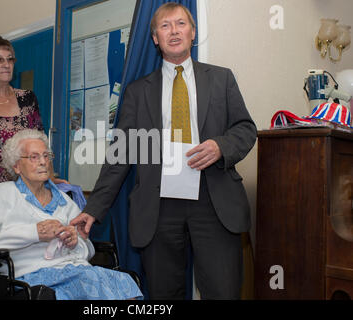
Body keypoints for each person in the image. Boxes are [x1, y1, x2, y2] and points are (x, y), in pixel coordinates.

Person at [71, 3, 257, 299]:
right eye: (165, 26)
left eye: (180, 24)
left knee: (224, 291)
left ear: (192, 32)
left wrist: (221, 146)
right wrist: (93, 209)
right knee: (163, 294)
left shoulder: (222, 79)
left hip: (214, 200)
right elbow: (121, 155)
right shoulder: (137, 91)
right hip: (158, 207)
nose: (174, 31)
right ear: (155, 38)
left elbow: (245, 129)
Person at [0, 129, 143, 300]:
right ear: (17, 166)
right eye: (34, 157)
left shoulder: (64, 200)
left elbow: (88, 250)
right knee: (90, 283)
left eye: (46, 156)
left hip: (76, 270)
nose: (43, 162)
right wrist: (34, 233)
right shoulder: (3, 193)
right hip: (32, 275)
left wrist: (76, 243)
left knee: (123, 282)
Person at [0, 35, 64, 241]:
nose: (6, 64)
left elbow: (40, 141)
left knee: (18, 254)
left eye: (10, 59)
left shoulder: (27, 99)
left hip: (19, 194)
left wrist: (48, 176)